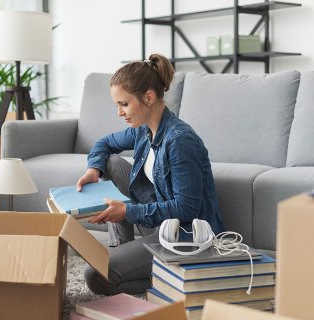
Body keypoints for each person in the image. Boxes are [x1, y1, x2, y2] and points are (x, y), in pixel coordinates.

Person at [76, 53, 225, 295]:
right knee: (111, 162)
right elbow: (104, 143)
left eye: (124, 104)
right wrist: (94, 169)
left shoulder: (180, 140)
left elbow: (187, 208)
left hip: (186, 235)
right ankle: (123, 249)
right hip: (160, 224)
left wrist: (128, 211)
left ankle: (182, 278)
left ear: (148, 97)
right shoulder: (143, 130)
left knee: (95, 275)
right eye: (117, 105)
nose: (120, 112)